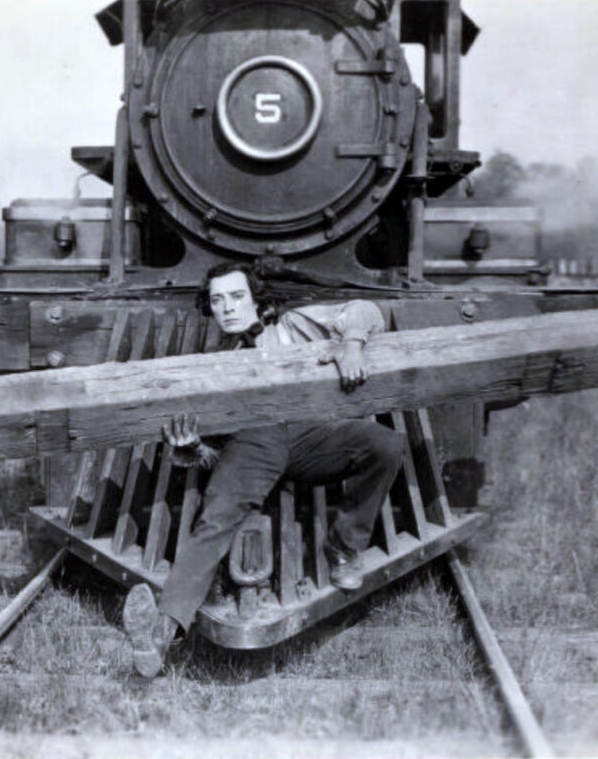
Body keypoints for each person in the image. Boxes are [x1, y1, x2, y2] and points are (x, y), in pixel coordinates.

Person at [123, 262, 404, 677]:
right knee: (216, 518)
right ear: (210, 309)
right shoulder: (213, 365)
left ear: (255, 299)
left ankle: (344, 545)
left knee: (385, 444)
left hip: (311, 435)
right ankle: (161, 635)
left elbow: (365, 309)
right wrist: (193, 448)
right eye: (217, 301)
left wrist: (352, 345)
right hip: (253, 446)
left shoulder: (292, 326)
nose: (228, 308)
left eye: (237, 297)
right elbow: (213, 457)